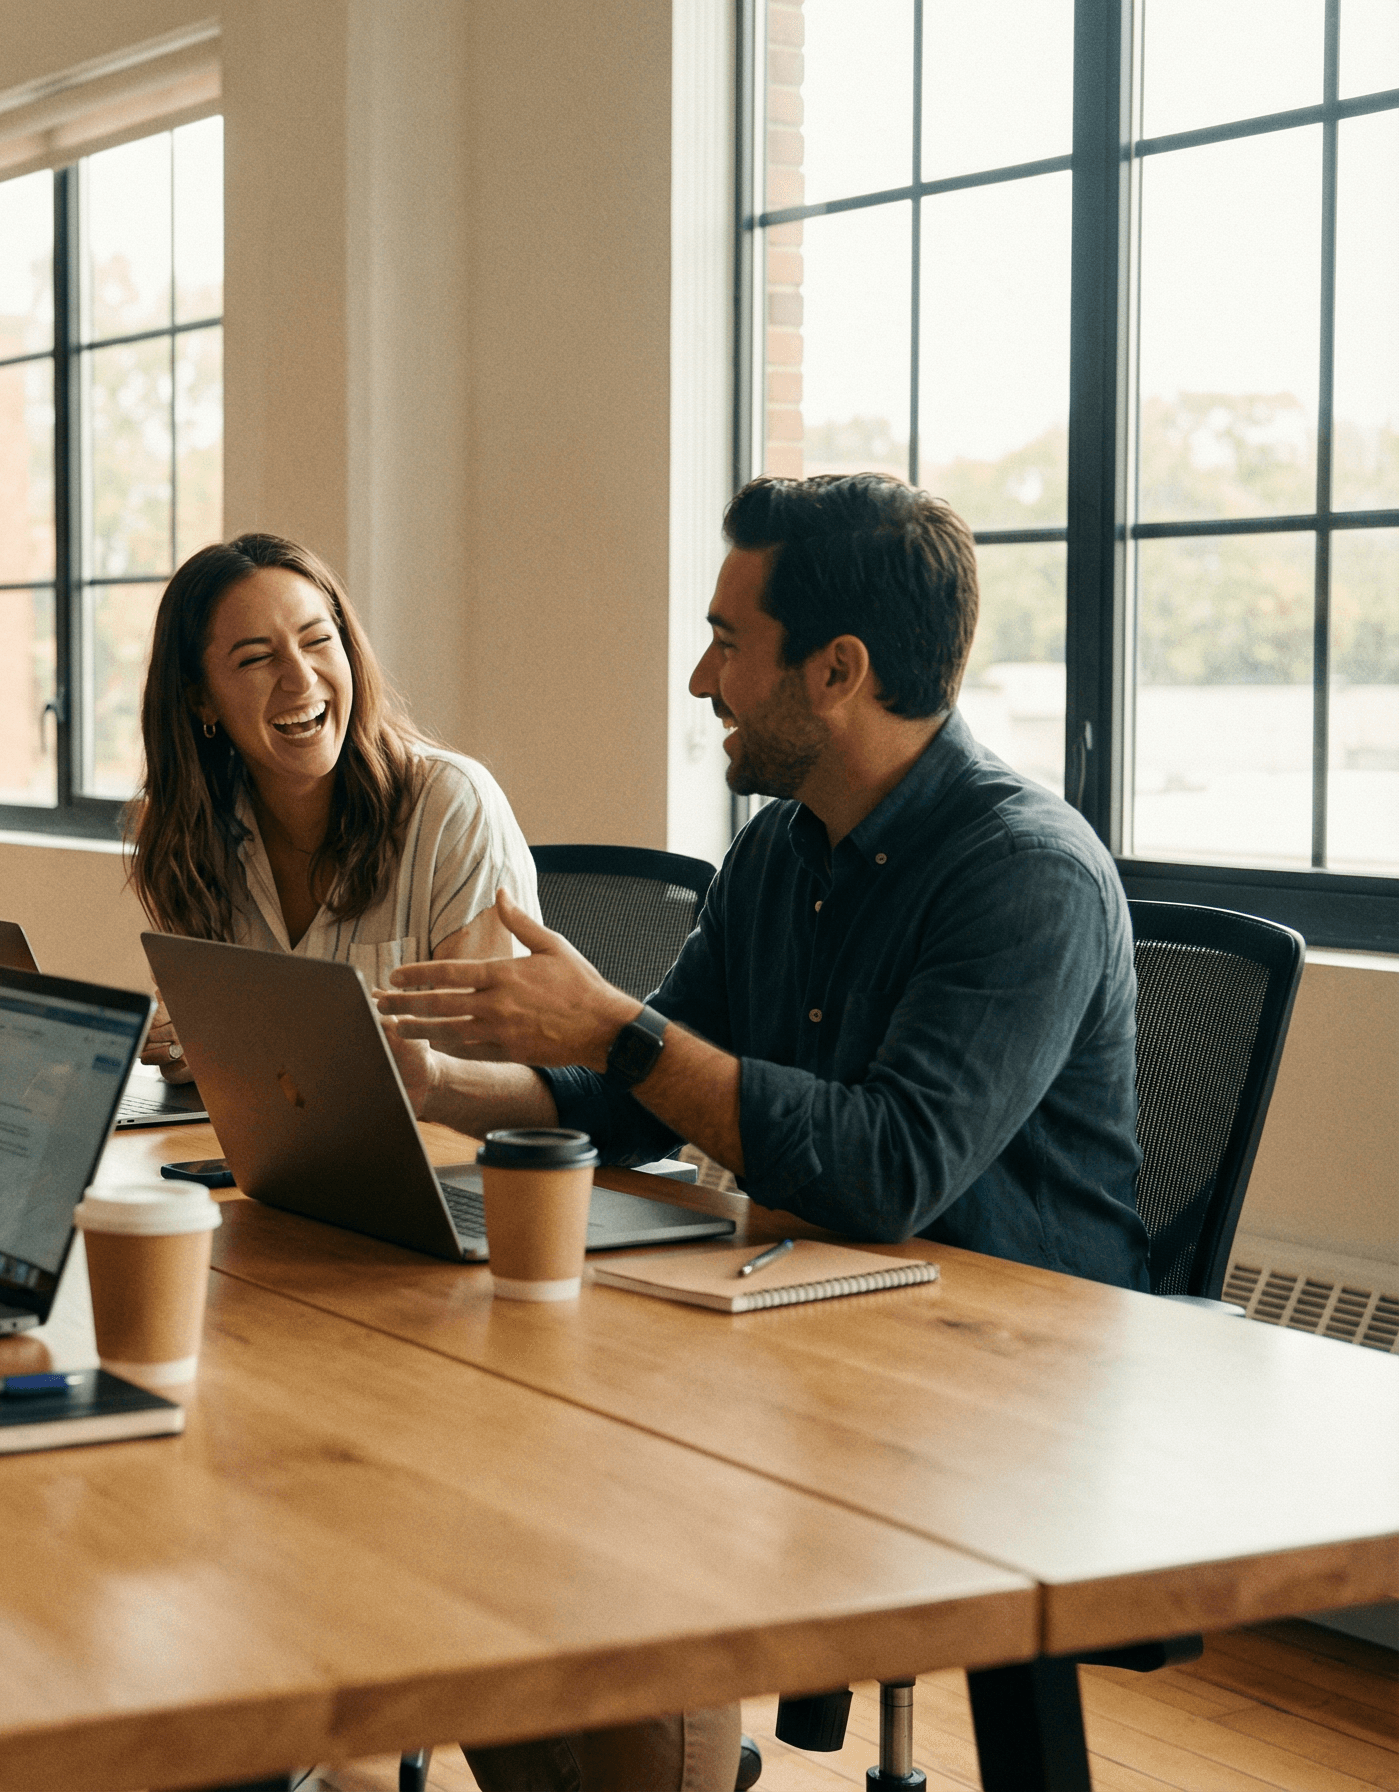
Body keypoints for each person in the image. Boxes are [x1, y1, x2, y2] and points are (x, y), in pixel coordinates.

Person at [375, 472, 1144, 1792]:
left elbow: (888, 1168)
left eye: (730, 641)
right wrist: (437, 1087)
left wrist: (612, 1025)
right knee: (474, 1443)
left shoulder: (1029, 872)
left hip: (1001, 1375)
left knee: (578, 1483)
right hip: (812, 1314)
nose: (698, 681)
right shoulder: (780, 853)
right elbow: (630, 1097)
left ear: (838, 670)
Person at [127, 532, 538, 1077]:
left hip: (437, 1154)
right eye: (256, 659)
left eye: (318, 641)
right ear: (202, 697)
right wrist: (187, 1044)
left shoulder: (452, 805)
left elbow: (489, 1059)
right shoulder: (195, 829)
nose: (300, 678)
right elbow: (224, 1063)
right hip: (264, 1152)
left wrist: (258, 1046)